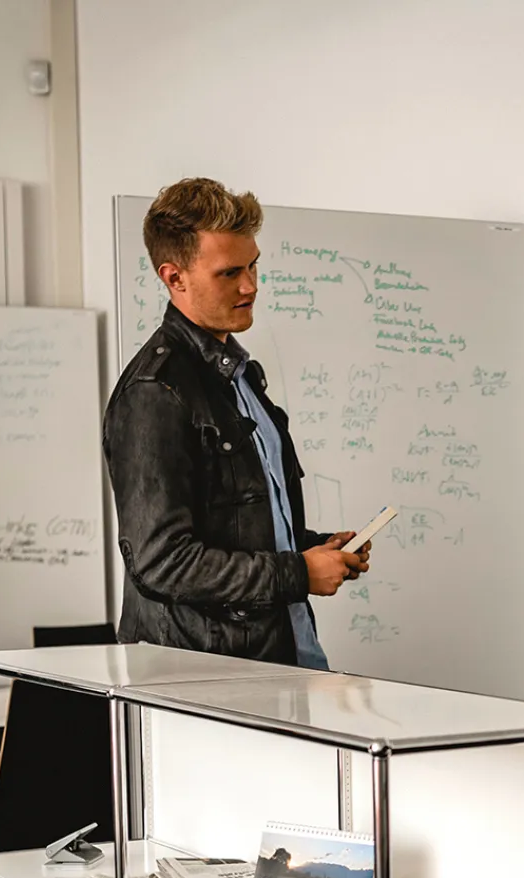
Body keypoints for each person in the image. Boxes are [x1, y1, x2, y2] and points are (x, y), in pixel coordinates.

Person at [104, 177, 368, 666]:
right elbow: (161, 561)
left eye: (253, 266)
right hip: (204, 686)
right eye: (229, 273)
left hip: (280, 659)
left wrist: (311, 550)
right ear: (174, 277)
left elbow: (237, 530)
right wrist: (296, 573)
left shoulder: (241, 379)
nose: (250, 286)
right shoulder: (154, 393)